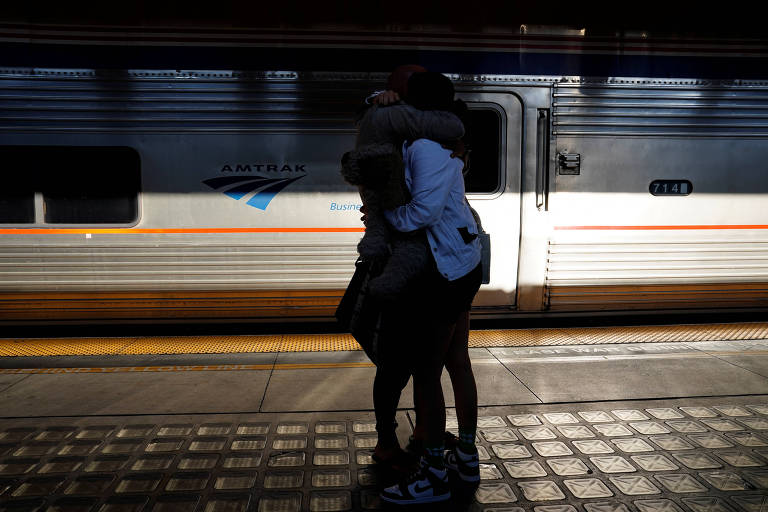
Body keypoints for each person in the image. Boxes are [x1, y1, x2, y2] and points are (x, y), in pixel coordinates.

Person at [339, 65, 466, 472]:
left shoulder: (417, 135)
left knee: (420, 360)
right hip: (395, 256)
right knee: (397, 361)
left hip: (426, 258)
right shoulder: (385, 117)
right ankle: (386, 440)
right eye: (401, 89)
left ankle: (421, 431)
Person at [379, 72, 483, 505]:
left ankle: (435, 474)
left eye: (398, 99)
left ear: (413, 108)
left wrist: (388, 219)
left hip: (446, 271)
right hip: (463, 261)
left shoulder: (423, 146)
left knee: (428, 371)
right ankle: (468, 455)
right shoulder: (441, 141)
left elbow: (421, 212)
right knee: (457, 361)